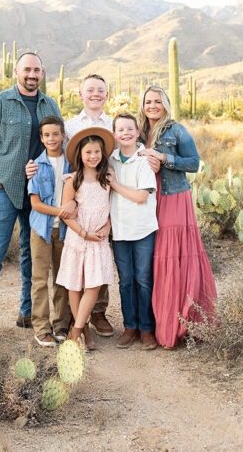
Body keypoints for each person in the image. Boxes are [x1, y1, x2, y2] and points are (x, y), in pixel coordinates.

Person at [28, 73, 135, 337]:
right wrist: (34, 167)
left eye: (100, 90)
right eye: (90, 90)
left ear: (107, 94)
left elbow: (130, 146)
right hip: (76, 198)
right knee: (74, 267)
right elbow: (55, 152)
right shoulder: (71, 125)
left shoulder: (114, 125)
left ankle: (98, 311)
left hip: (102, 194)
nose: (95, 94)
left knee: (99, 261)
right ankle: (77, 322)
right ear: (81, 94)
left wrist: (147, 153)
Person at [0, 52, 61, 345]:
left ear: (43, 72)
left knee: (30, 255)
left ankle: (27, 313)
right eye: (27, 69)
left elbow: (58, 144)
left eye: (37, 69)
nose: (32, 74)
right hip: (5, 191)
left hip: (38, 193)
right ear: (16, 71)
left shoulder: (50, 104)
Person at [137, 85, 216, 350]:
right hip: (147, 198)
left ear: (166, 104)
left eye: (157, 101)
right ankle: (155, 322)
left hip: (172, 197)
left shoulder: (176, 129)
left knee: (172, 255)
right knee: (153, 256)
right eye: (148, 101)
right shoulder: (139, 130)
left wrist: (164, 157)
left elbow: (194, 163)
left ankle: (183, 320)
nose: (152, 106)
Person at [56, 126, 116, 351]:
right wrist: (83, 233)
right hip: (79, 239)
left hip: (98, 240)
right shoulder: (73, 180)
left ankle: (77, 329)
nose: (93, 156)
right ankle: (84, 329)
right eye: (88, 152)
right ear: (80, 154)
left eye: (97, 152)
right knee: (75, 285)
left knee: (93, 285)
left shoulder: (106, 177)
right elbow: (66, 215)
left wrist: (107, 226)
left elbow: (110, 208)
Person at [107, 112, 159, 350]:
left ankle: (147, 329)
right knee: (126, 280)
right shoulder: (111, 160)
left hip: (143, 229)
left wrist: (116, 184)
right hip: (119, 230)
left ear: (138, 132)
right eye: (121, 130)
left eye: (130, 129)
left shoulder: (143, 160)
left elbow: (140, 196)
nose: (126, 133)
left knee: (144, 279)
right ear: (114, 134)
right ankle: (130, 327)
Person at [27, 115, 73, 347]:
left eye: (56, 134)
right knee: (40, 279)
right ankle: (42, 328)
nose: (52, 138)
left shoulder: (72, 164)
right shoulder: (36, 165)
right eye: (47, 135)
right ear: (41, 138)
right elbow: (35, 204)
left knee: (62, 278)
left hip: (65, 231)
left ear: (64, 135)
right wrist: (61, 211)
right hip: (41, 229)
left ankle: (61, 324)